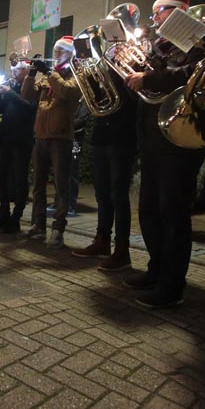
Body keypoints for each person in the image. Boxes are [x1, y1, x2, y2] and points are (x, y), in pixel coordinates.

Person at [122, 0, 205, 308]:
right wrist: (130, 73)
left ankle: (173, 284)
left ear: (179, 12)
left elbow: (192, 76)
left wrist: (148, 77)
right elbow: (141, 88)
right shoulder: (158, 47)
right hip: (152, 138)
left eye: (160, 12)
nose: (154, 18)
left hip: (180, 138)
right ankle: (156, 269)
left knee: (173, 213)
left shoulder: (199, 42)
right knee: (149, 211)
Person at [72, 68, 138, 271]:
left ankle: (122, 250)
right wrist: (91, 81)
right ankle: (102, 240)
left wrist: (114, 73)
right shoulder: (106, 75)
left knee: (118, 195)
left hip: (122, 139)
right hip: (102, 137)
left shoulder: (130, 72)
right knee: (102, 194)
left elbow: (128, 100)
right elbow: (99, 103)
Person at [21, 36, 82, 248]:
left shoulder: (76, 73)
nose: (56, 54)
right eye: (55, 50)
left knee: (60, 186)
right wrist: (31, 73)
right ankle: (38, 225)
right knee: (38, 184)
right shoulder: (50, 76)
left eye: (60, 51)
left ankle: (58, 229)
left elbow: (67, 92)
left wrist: (48, 72)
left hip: (61, 137)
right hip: (41, 135)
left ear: (70, 53)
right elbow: (27, 95)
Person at [0, 62, 36, 233]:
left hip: (22, 140)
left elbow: (29, 108)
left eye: (17, 69)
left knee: (20, 179)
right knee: (0, 176)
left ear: (26, 71)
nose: (13, 72)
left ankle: (16, 218)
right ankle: (4, 213)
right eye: (12, 69)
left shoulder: (33, 87)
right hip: (6, 139)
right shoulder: (11, 86)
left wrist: (10, 93)